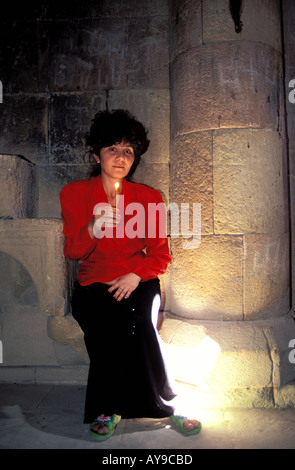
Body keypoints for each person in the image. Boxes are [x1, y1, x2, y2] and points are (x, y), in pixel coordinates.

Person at [60, 109, 201, 440]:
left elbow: (160, 255)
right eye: (112, 148)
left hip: (139, 280)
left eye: (128, 151)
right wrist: (93, 227)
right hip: (93, 283)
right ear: (96, 155)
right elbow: (72, 252)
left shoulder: (148, 198)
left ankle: (169, 404)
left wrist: (134, 276)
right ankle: (111, 408)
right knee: (107, 326)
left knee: (136, 318)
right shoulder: (75, 193)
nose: (120, 157)